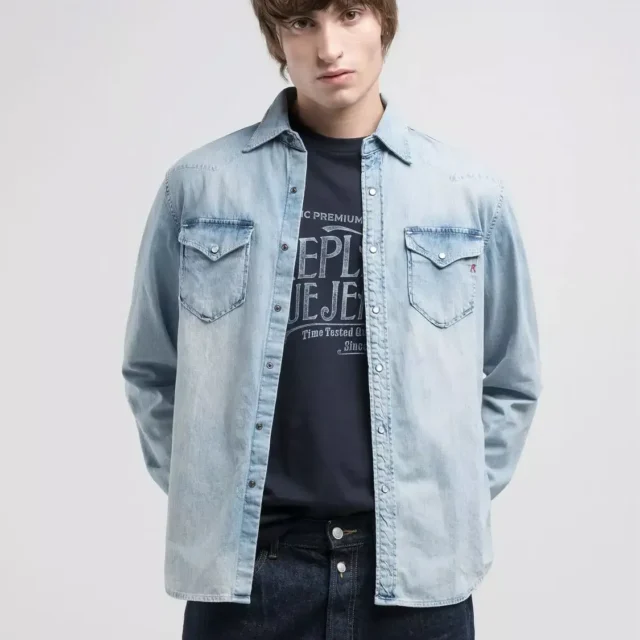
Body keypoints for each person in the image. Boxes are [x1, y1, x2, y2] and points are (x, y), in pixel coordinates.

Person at [121, 1, 542, 638]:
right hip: (251, 577)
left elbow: (512, 378)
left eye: (349, 14)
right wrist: (207, 489)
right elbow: (152, 370)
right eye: (302, 22)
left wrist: (451, 497)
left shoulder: (467, 193)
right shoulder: (201, 186)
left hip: (417, 579)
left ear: (383, 23)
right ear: (276, 37)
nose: (328, 47)